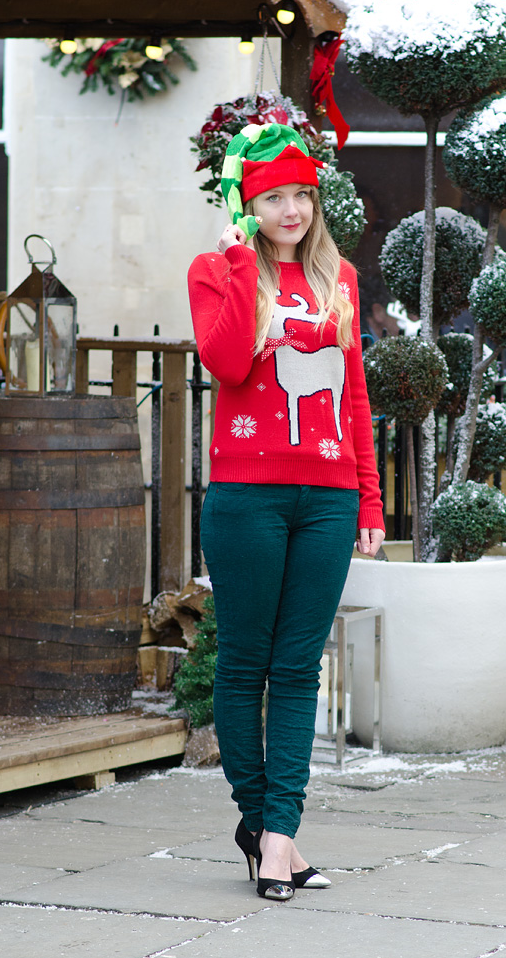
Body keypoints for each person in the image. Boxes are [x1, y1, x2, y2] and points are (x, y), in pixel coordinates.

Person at [187, 122, 385, 902]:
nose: (294, 209)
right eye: (274, 197)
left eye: (303, 193)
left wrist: (371, 496)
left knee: (300, 665)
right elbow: (229, 359)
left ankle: (278, 833)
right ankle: (261, 822)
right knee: (244, 663)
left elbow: (353, 392)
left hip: (329, 496)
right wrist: (242, 257)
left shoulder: (339, 276)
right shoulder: (217, 270)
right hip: (247, 496)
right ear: (247, 204)